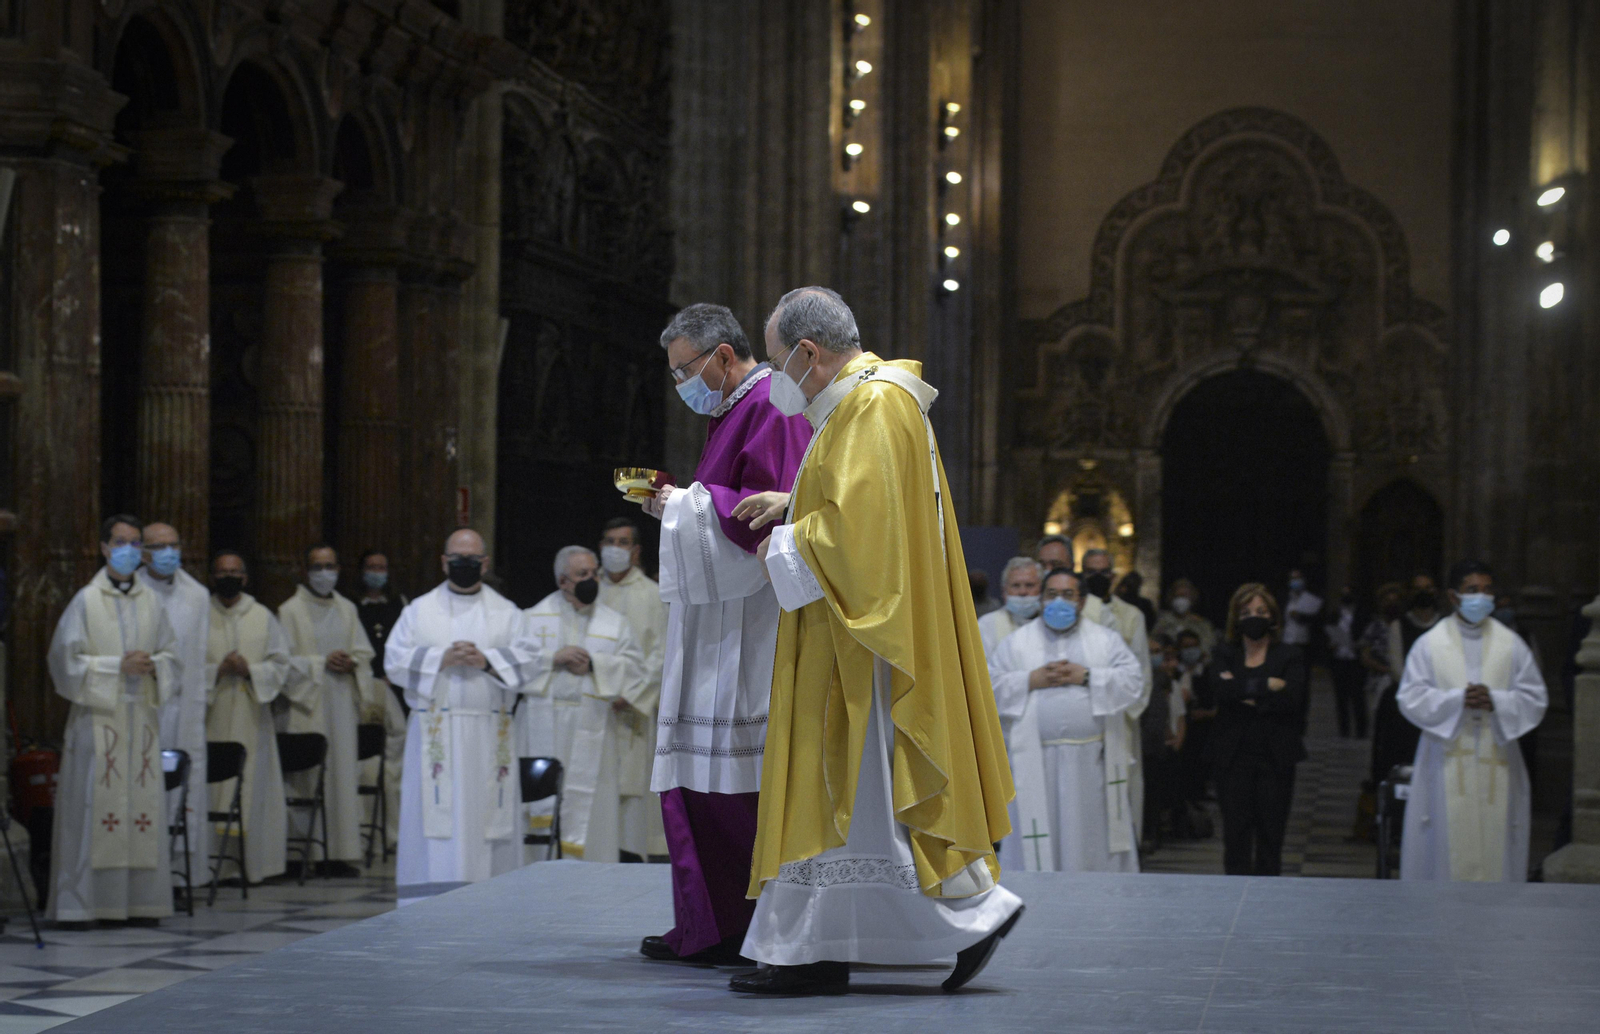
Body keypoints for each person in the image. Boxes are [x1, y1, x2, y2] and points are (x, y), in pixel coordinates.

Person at [738, 287, 1022, 996]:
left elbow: (860, 542)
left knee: (862, 794)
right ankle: (820, 946)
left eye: (776, 362)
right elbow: (856, 505)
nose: (775, 379)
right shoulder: (870, 400)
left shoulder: (870, 405)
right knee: (861, 806)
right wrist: (795, 503)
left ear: (808, 353)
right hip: (855, 637)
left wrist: (786, 537)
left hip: (863, 648)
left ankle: (969, 916)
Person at [638, 301, 812, 965]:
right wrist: (677, 503)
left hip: (748, 627)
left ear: (723, 355)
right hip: (714, 625)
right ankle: (708, 925)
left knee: (738, 784)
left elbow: (761, 516)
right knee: (700, 781)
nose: (683, 382)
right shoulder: (730, 408)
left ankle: (745, 928)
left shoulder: (768, 402)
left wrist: (678, 506)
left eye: (687, 368)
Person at [385, 529, 544, 903]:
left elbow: (532, 660)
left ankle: (489, 902)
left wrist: (486, 660)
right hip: (433, 733)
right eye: (457, 559)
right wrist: (441, 657)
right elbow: (393, 661)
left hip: (490, 734)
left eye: (472, 561)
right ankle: (427, 904)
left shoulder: (507, 613)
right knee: (435, 823)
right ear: (443, 562)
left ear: (485, 564)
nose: (464, 566)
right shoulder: (418, 611)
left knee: (485, 821)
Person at [46, 515, 179, 925]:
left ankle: (141, 904)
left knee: (142, 808)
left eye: (136, 543)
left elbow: (173, 656)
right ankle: (85, 904)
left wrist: (154, 666)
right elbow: (62, 663)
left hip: (140, 719)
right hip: (98, 719)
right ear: (104, 548)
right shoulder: (86, 600)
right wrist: (115, 666)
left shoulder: (152, 601)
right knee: (92, 809)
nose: (129, 550)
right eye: (121, 542)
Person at [1398, 560, 1547, 882]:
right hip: (1446, 758)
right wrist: (1457, 699)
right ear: (1453, 597)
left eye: (1488, 590)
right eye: (1473, 590)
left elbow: (1535, 697)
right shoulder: (1430, 643)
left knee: (1497, 844)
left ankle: (1497, 924)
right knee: (1444, 843)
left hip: (1499, 759)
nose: (1482, 597)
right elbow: (1410, 696)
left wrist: (1497, 700)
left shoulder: (1512, 644)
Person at [988, 569, 1142, 873]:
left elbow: (1133, 681)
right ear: (1041, 600)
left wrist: (1086, 676)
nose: (1058, 601)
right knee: (1036, 835)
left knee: (1089, 835)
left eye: (1068, 595)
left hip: (1092, 764)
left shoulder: (1105, 640)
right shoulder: (1016, 643)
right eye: (1051, 594)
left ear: (1082, 602)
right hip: (1034, 761)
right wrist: (1030, 680)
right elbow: (987, 687)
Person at [518, 546, 647, 862]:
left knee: (594, 810)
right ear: (563, 581)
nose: (591, 580)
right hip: (542, 727)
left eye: (594, 573)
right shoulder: (532, 618)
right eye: (582, 575)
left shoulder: (614, 623)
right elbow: (512, 665)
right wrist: (553, 657)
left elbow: (637, 670)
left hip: (593, 730)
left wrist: (595, 665)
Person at [277, 545, 379, 877]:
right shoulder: (289, 611)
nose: (325, 573)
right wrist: (322, 663)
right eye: (318, 566)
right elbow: (281, 663)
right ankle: (301, 855)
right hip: (307, 706)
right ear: (306, 571)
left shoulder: (348, 609)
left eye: (330, 566)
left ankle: (339, 853)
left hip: (340, 702)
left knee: (342, 776)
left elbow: (364, 653)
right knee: (306, 779)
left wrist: (352, 662)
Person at [204, 550, 294, 885]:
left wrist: (250, 671)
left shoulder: (261, 616)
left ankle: (255, 866)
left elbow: (282, 664)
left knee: (253, 787)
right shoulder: (200, 615)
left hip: (252, 718)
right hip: (210, 716)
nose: (229, 577)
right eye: (222, 571)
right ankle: (212, 865)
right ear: (212, 577)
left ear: (244, 578)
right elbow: (180, 667)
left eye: (235, 572)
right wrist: (216, 671)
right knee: (211, 790)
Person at [1208, 584, 1308, 876]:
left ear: (1273, 617)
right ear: (1236, 618)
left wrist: (1242, 692)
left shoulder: (1289, 655)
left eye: (1261, 612)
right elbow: (1221, 691)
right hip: (1233, 754)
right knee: (1235, 834)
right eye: (1247, 612)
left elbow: (1292, 699)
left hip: (1275, 755)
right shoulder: (1225, 652)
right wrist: (1267, 686)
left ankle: (1267, 903)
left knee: (1271, 835)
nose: (1254, 617)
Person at [141, 521, 211, 892]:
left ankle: (182, 871)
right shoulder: (132, 592)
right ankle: (144, 872)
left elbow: (197, 658)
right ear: (143, 552)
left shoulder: (197, 595)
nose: (169, 553)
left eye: (174, 544)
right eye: (159, 546)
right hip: (145, 703)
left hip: (183, 707)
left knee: (183, 783)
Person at [595, 517, 670, 861]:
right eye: (609, 541)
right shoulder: (589, 590)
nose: (614, 549)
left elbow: (663, 652)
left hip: (633, 710)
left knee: (632, 793)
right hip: (594, 708)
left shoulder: (653, 595)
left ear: (636, 551)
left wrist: (632, 694)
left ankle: (634, 856)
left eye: (622, 542)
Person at [1079, 548, 1153, 835]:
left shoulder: (1131, 614)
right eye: (1090, 572)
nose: (1098, 577)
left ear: (1113, 575)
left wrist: (1126, 711)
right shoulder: (1074, 611)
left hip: (1119, 719)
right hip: (1081, 712)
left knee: (1121, 787)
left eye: (1103, 571)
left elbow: (1141, 670)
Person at [355, 549, 407, 856]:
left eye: (382, 566)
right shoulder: (352, 607)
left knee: (393, 772)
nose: (377, 571)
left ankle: (393, 834)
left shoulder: (399, 605)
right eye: (371, 566)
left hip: (395, 692)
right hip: (365, 690)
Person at [1371, 574, 1443, 788]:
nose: (1424, 593)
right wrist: (1418, 693)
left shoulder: (1446, 625)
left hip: (1440, 702)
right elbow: (1397, 668)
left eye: (1428, 588)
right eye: (1418, 588)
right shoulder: (1399, 626)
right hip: (1405, 703)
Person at [978, 557, 1043, 659]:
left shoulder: (1051, 624)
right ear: (1004, 591)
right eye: (1016, 585)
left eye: (1029, 585)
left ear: (1042, 589)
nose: (1022, 592)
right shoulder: (987, 625)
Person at [1325, 588, 1366, 738]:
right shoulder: (1335, 615)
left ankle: (1361, 730)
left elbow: (1365, 635)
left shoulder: (1361, 615)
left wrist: (1358, 644)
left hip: (1355, 660)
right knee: (1341, 697)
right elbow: (1328, 634)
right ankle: (1344, 730)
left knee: (1357, 697)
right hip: (1339, 659)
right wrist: (1331, 643)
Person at [1153, 577, 1217, 654]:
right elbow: (1154, 642)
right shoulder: (1162, 621)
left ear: (1192, 598)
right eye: (1178, 596)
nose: (1181, 600)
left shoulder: (1202, 624)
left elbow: (1208, 646)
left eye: (1184, 596)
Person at [1281, 568, 1322, 651]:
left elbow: (1316, 620)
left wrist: (1300, 616)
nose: (1295, 581)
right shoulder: (1285, 598)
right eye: (1293, 579)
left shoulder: (1310, 599)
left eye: (1298, 578)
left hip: (1303, 641)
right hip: (1287, 640)